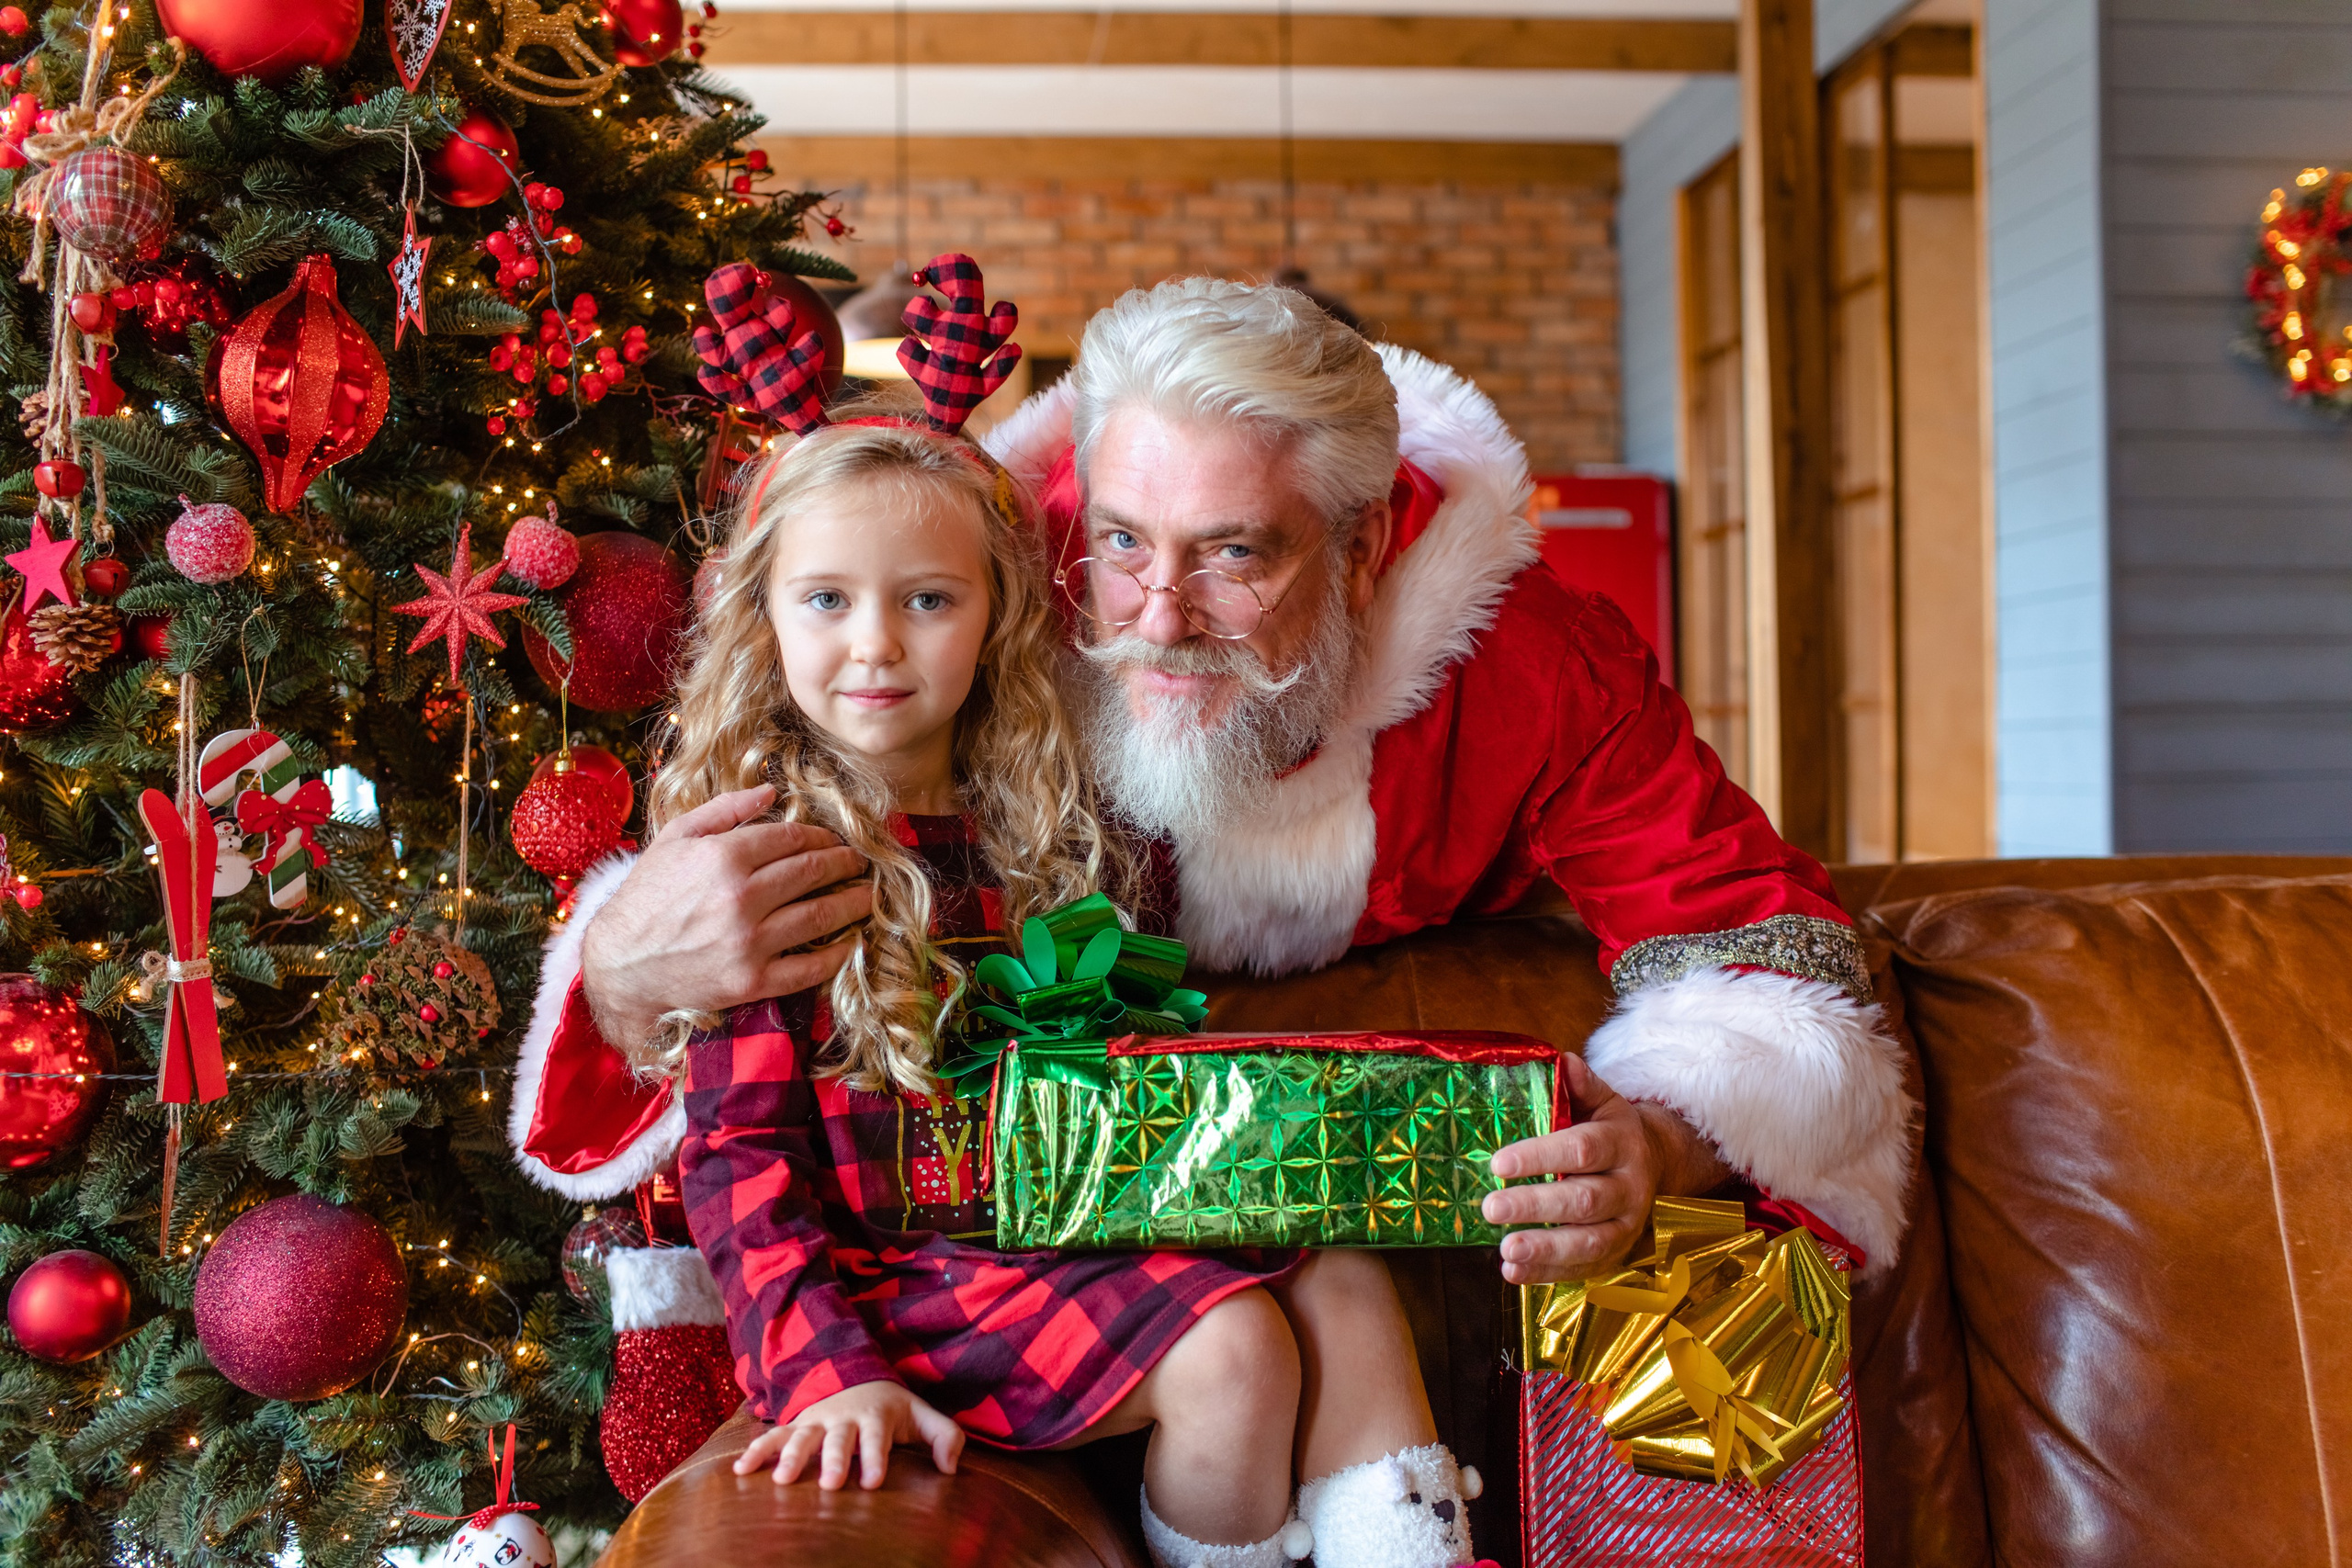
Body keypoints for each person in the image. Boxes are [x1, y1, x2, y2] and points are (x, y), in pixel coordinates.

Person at [523, 277, 1915, 1299]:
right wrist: (629, 970)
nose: (1160, 613)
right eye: (1124, 539)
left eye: (1237, 556)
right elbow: (771, 802)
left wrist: (1669, 1137)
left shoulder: (1532, 662)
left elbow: (1763, 943)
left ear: (1364, 548)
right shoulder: (981, 585)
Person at [603, 288, 1490, 1568]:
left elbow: (1112, 1072)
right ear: (762, 615)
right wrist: (821, 1375)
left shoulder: (1038, 825)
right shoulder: (767, 865)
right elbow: (740, 1171)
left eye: (926, 602)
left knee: (1343, 1275)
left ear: (998, 616)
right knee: (1235, 1355)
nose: (875, 647)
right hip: (893, 1289)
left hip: (1062, 1227)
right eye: (827, 601)